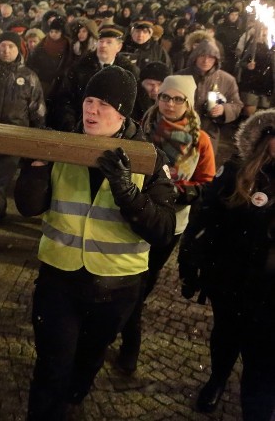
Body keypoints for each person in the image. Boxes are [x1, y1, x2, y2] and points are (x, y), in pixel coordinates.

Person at [14, 65, 176, 419]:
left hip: (116, 288)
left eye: (103, 104)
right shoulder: (65, 145)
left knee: (89, 357)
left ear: (123, 112)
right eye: (89, 100)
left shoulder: (149, 159)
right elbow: (28, 206)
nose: (91, 110)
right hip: (59, 279)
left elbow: (164, 229)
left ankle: (76, 395)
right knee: (51, 367)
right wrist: (37, 166)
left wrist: (128, 193)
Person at [115, 75, 215, 374]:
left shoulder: (200, 139)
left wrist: (182, 191)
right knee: (131, 278)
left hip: (171, 221)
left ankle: (126, 333)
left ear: (189, 102)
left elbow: (207, 182)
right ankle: (126, 337)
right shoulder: (140, 127)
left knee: (144, 279)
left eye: (177, 99)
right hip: (135, 211)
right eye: (165, 97)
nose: (169, 104)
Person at [178, 109, 275, 419]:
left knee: (261, 358)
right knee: (226, 335)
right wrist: (191, 258)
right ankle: (218, 378)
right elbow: (207, 216)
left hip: (271, 292)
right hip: (232, 279)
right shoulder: (237, 170)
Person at [0, 31, 45, 252]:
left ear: (19, 50)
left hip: (14, 141)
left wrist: (37, 144)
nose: (6, 50)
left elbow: (38, 111)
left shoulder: (29, 77)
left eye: (11, 47)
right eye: (3, 46)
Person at [177, 37, 242, 152]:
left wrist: (223, 109)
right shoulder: (180, 76)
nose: (206, 61)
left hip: (209, 134)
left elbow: (236, 105)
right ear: (195, 57)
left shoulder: (227, 80)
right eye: (202, 56)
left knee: (204, 166)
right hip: (180, 131)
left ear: (216, 60)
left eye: (211, 57)